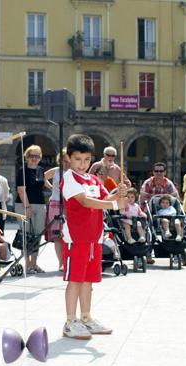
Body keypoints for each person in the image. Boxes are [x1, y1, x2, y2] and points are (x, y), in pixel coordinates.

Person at [60, 134, 126, 340]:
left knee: (88, 281)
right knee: (75, 280)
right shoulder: (68, 178)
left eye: (87, 160)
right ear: (69, 158)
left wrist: (118, 193)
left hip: (94, 237)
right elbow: (86, 201)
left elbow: (104, 197)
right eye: (77, 159)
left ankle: (86, 318)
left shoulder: (94, 179)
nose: (82, 164)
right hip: (76, 237)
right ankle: (70, 322)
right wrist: (114, 204)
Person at [15, 145, 47, 274]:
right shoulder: (22, 170)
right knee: (26, 235)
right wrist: (27, 206)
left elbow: (44, 183)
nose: (34, 158)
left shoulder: (40, 170)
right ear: (27, 157)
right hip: (24, 204)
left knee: (37, 235)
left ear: (40, 158)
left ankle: (34, 263)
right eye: (31, 156)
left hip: (40, 205)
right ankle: (27, 263)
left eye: (37, 156)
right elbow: (21, 190)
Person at [45, 148, 69, 270]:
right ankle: (61, 263)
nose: (66, 163)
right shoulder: (56, 171)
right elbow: (42, 177)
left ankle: (67, 260)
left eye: (68, 161)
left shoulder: (73, 172)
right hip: (55, 203)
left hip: (68, 205)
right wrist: (51, 188)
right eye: (64, 161)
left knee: (67, 234)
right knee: (57, 236)